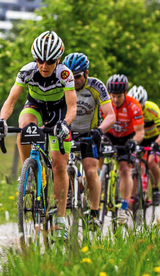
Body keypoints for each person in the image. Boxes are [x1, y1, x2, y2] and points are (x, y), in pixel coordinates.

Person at [0, 31, 77, 240]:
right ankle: (28, 172)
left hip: (59, 112)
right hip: (35, 106)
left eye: (49, 61)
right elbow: (11, 100)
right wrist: (2, 120)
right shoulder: (26, 72)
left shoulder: (65, 74)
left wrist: (65, 125)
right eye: (40, 60)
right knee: (24, 127)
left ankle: (59, 221)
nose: (44, 66)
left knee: (59, 165)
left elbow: (72, 107)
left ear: (58, 60)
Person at [62, 52, 115, 230]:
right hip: (67, 132)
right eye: (69, 76)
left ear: (86, 73)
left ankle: (93, 213)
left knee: (91, 172)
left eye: (77, 76)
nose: (73, 80)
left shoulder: (96, 86)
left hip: (88, 133)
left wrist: (100, 131)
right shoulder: (62, 84)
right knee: (59, 166)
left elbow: (110, 115)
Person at [104, 74, 144, 225]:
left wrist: (134, 142)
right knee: (95, 160)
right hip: (109, 135)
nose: (115, 100)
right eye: (112, 96)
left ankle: (124, 207)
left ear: (125, 93)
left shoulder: (133, 106)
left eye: (119, 96)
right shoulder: (106, 103)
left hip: (127, 138)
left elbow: (140, 132)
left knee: (125, 169)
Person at [127, 85, 160, 206]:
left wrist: (156, 143)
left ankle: (156, 189)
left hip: (154, 139)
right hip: (139, 139)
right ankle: (132, 196)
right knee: (133, 164)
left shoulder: (153, 109)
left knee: (151, 162)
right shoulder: (129, 110)